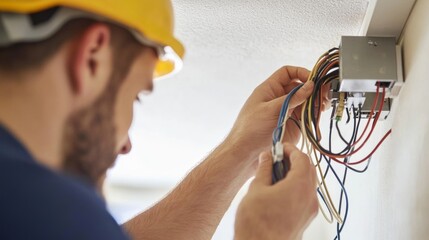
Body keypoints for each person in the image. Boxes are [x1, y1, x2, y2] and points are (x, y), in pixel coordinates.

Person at [0, 1, 319, 239]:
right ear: (92, 58)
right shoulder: (46, 209)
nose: (125, 145)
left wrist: (241, 150)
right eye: (134, 96)